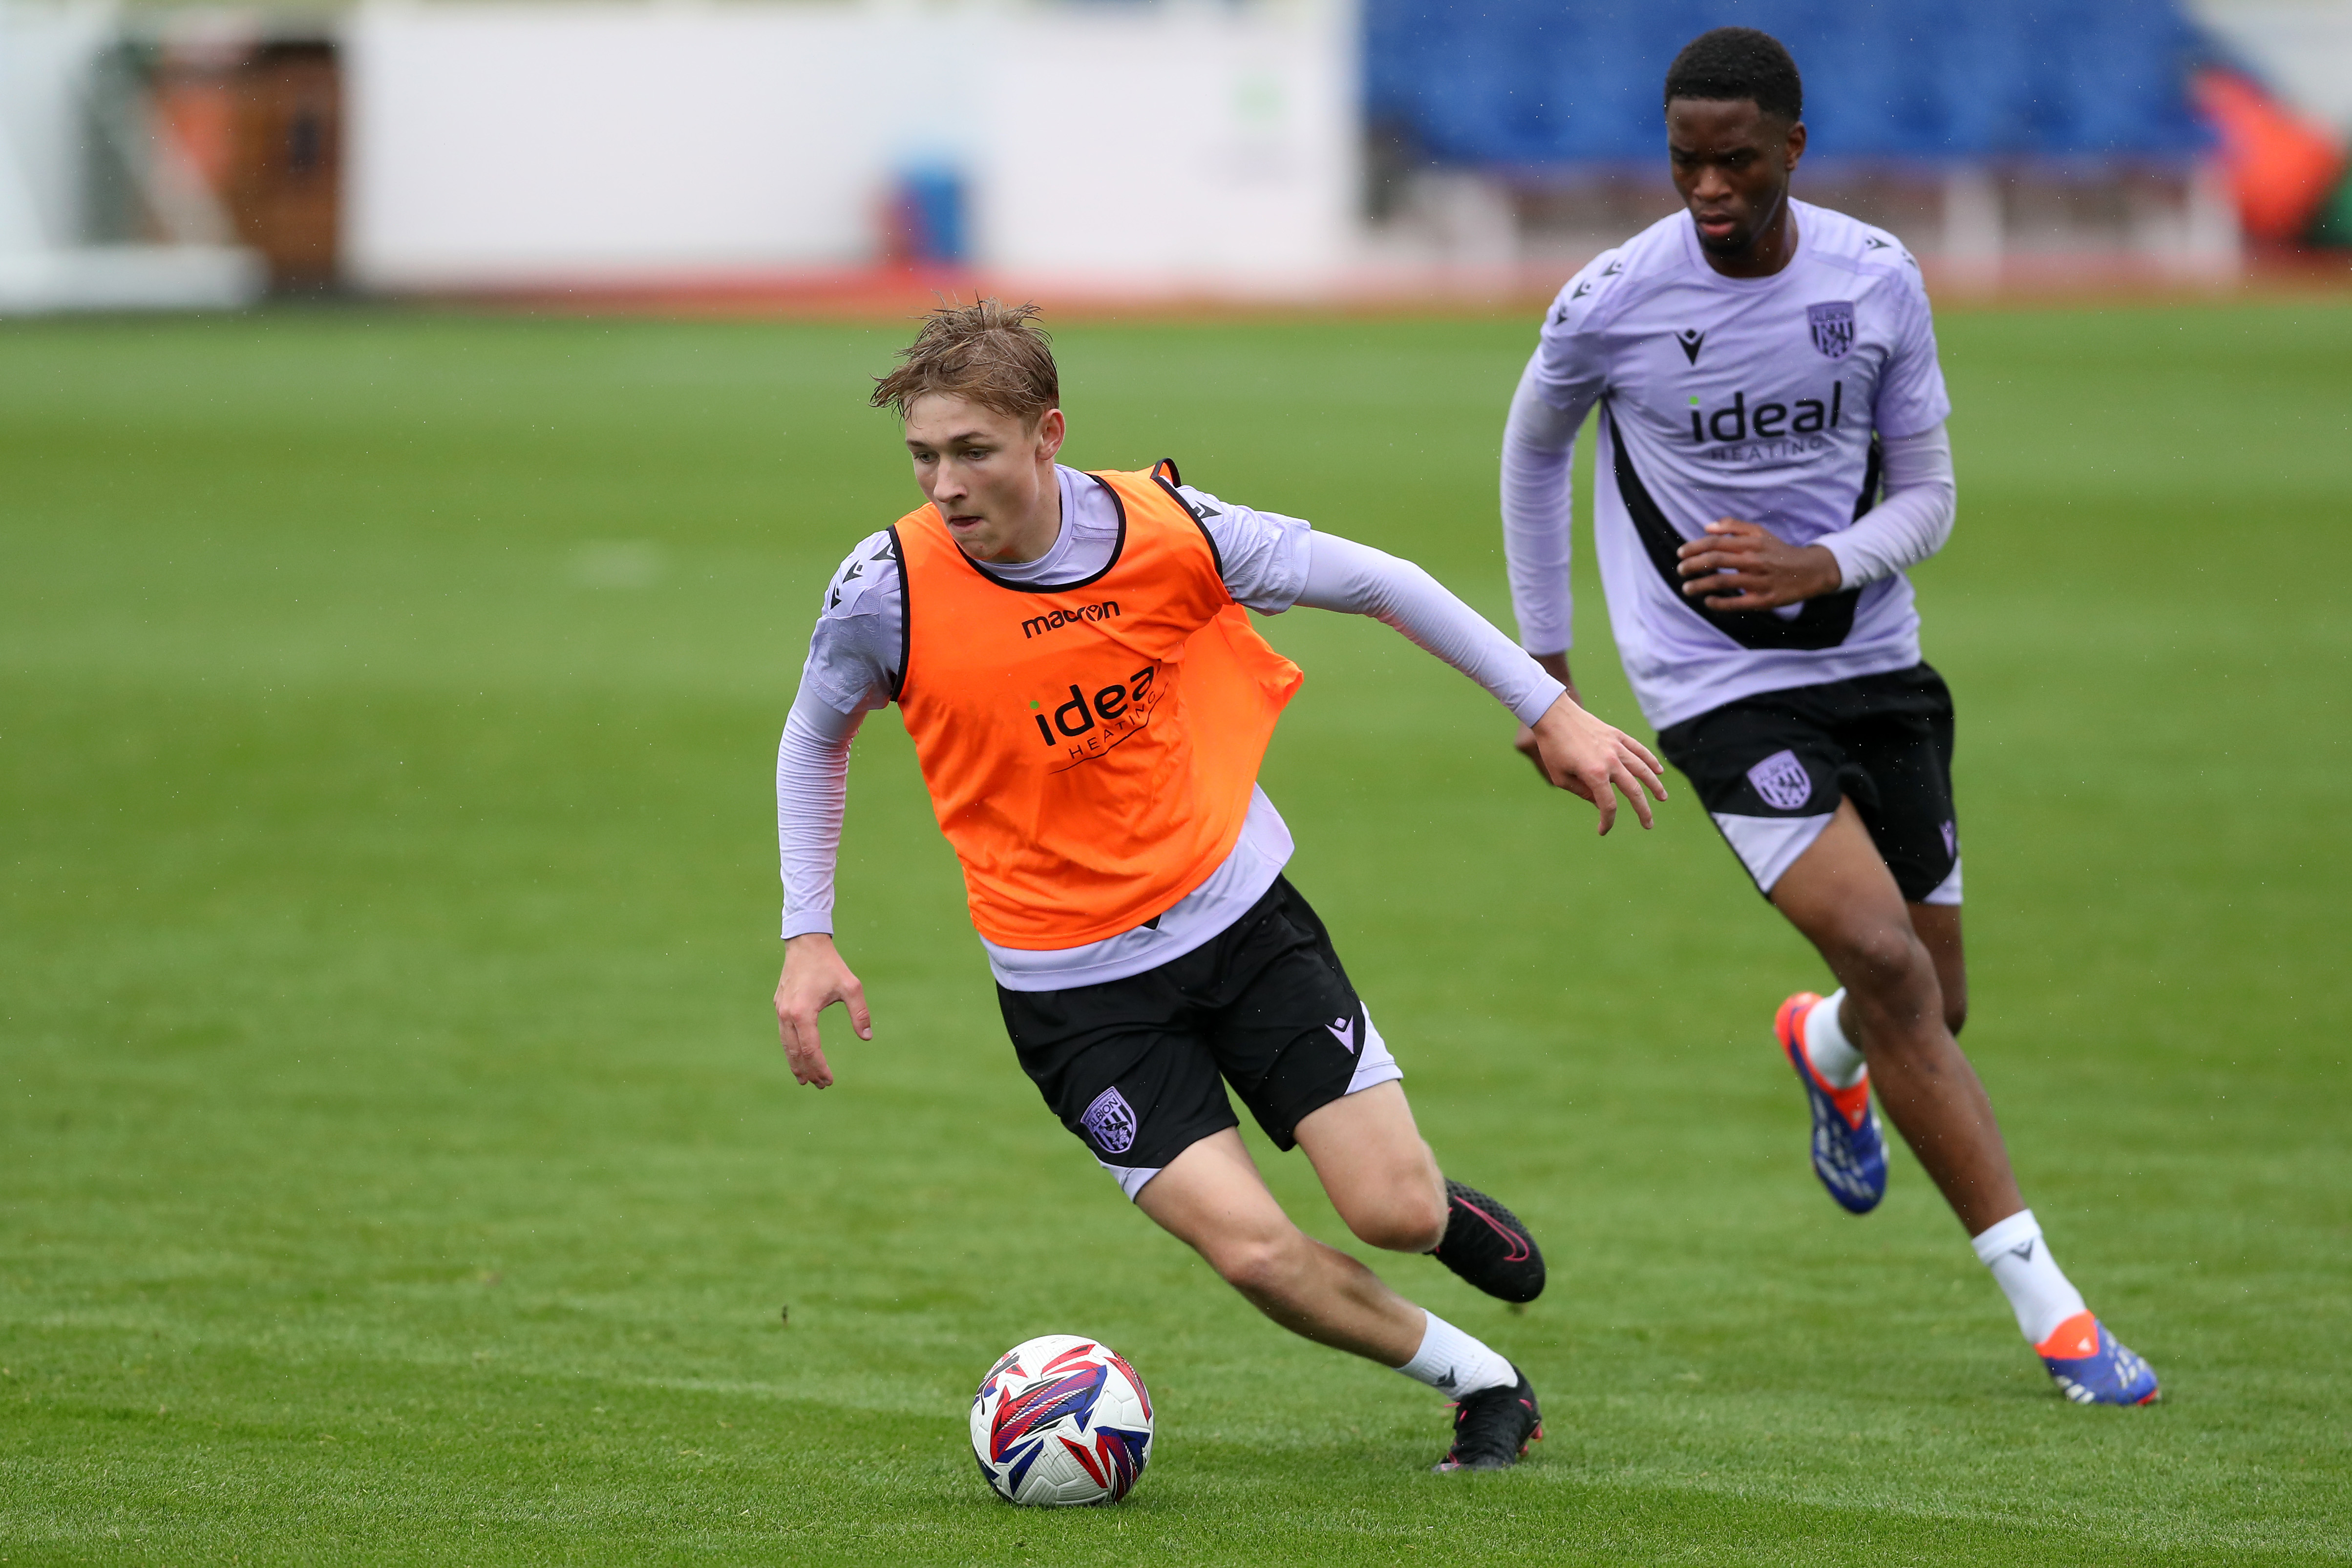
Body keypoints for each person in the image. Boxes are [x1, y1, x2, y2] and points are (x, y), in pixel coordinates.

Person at [774, 301, 1668, 1470]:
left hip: (1241, 922)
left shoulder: (1173, 533)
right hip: (1073, 992)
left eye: (972, 450)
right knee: (1251, 1252)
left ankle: (1439, 1215)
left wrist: (1549, 710)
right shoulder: (883, 589)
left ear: (1046, 435)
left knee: (1388, 1211)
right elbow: (813, 737)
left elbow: (1382, 581)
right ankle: (1480, 1379)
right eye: (923, 456)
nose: (943, 484)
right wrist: (809, 932)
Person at [1496, 28, 2158, 1405]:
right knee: (1889, 957)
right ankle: (2060, 1314)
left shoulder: (1875, 279)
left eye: (1736, 160)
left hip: (1876, 663)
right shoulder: (1613, 299)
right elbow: (1533, 449)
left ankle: (1826, 1043)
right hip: (1718, 687)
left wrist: (1826, 561)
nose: (1709, 187)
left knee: (1930, 999)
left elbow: (1929, 495)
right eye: (1686, 161)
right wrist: (1545, 671)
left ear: (1793, 147)